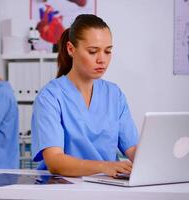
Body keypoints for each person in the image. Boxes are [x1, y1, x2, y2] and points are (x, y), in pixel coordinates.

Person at [31, 14, 139, 178]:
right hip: (62, 189)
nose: (102, 59)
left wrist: (157, 164)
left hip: (106, 189)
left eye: (108, 51)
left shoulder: (114, 95)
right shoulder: (50, 97)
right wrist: (104, 166)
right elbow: (54, 161)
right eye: (93, 51)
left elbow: (132, 149)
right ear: (70, 49)